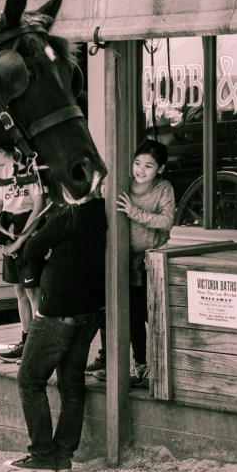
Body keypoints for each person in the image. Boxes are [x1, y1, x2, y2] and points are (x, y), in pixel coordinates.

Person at [9, 194, 107, 472]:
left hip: (58, 311)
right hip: (90, 310)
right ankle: (63, 456)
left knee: (29, 380)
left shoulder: (68, 216)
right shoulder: (101, 210)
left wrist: (51, 247)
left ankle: (42, 454)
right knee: (72, 385)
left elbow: (30, 250)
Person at [92, 139, 175, 388]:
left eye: (148, 166)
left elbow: (167, 221)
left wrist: (134, 212)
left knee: (155, 314)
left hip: (152, 261)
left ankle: (162, 366)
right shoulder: (122, 184)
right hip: (124, 259)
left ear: (160, 169)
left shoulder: (163, 189)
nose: (141, 170)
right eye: (137, 163)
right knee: (131, 315)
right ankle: (139, 366)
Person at [0, 153, 46, 363]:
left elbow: (39, 206)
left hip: (28, 227)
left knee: (33, 290)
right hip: (8, 227)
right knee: (19, 289)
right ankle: (25, 340)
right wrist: (4, 237)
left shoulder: (35, 170)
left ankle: (37, 344)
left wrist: (20, 241)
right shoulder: (6, 169)